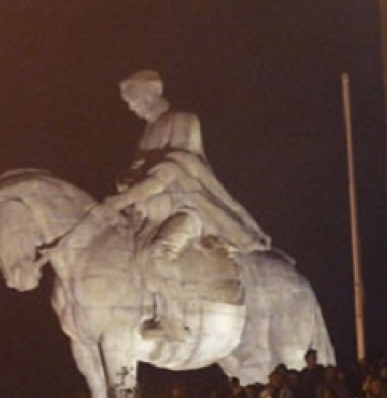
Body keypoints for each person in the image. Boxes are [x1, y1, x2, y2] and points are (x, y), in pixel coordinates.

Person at [104, 69, 270, 341]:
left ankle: (173, 321)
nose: (131, 106)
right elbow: (142, 171)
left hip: (187, 209)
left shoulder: (183, 120)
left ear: (151, 92)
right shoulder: (148, 131)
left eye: (133, 98)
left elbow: (177, 165)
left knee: (160, 251)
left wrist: (129, 192)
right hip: (149, 213)